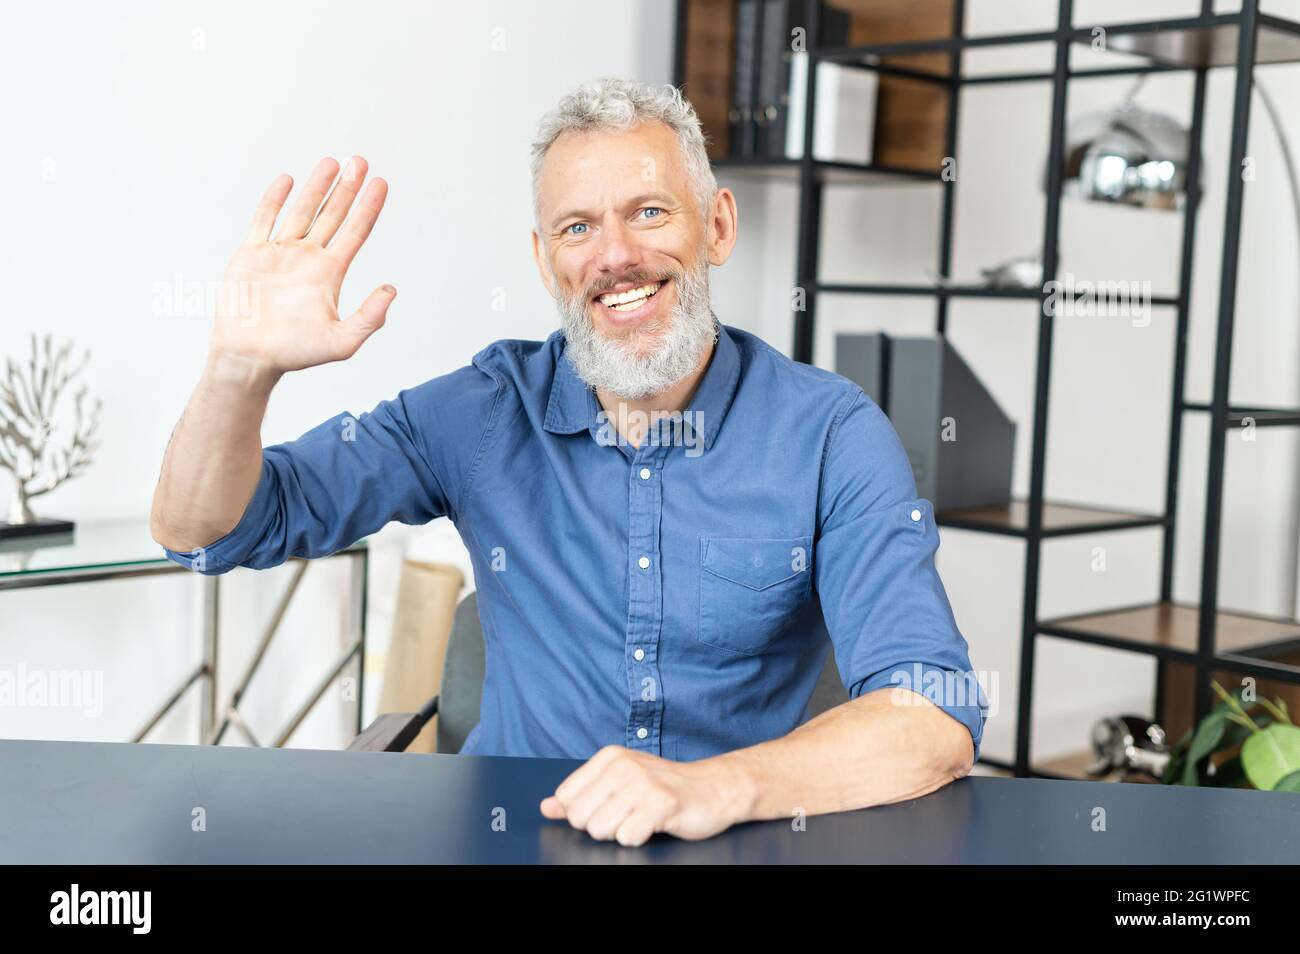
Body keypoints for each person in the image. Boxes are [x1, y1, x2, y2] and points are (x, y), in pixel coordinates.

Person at [150, 77, 987, 847]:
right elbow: (207, 534)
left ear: (719, 226)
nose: (614, 255)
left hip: (739, 840)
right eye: (578, 227)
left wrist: (710, 789)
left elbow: (932, 714)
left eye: (650, 212)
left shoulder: (832, 433)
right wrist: (237, 372)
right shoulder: (478, 412)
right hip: (513, 840)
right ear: (546, 257)